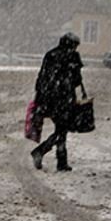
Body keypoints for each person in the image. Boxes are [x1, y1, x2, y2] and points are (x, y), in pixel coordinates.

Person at [30, 32, 84, 171]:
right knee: (62, 130)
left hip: (49, 99)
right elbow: (77, 80)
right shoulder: (72, 57)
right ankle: (42, 153)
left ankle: (60, 161)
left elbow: (42, 77)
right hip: (64, 99)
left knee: (61, 129)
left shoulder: (51, 55)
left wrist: (40, 98)